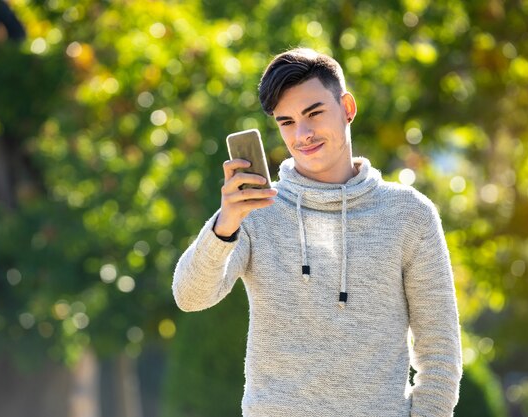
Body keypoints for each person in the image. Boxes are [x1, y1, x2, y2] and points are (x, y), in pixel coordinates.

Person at [172, 47, 462, 416]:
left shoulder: (409, 215)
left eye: (314, 113)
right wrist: (224, 226)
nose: (302, 134)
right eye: (286, 122)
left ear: (347, 108)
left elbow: (440, 354)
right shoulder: (254, 212)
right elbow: (190, 296)